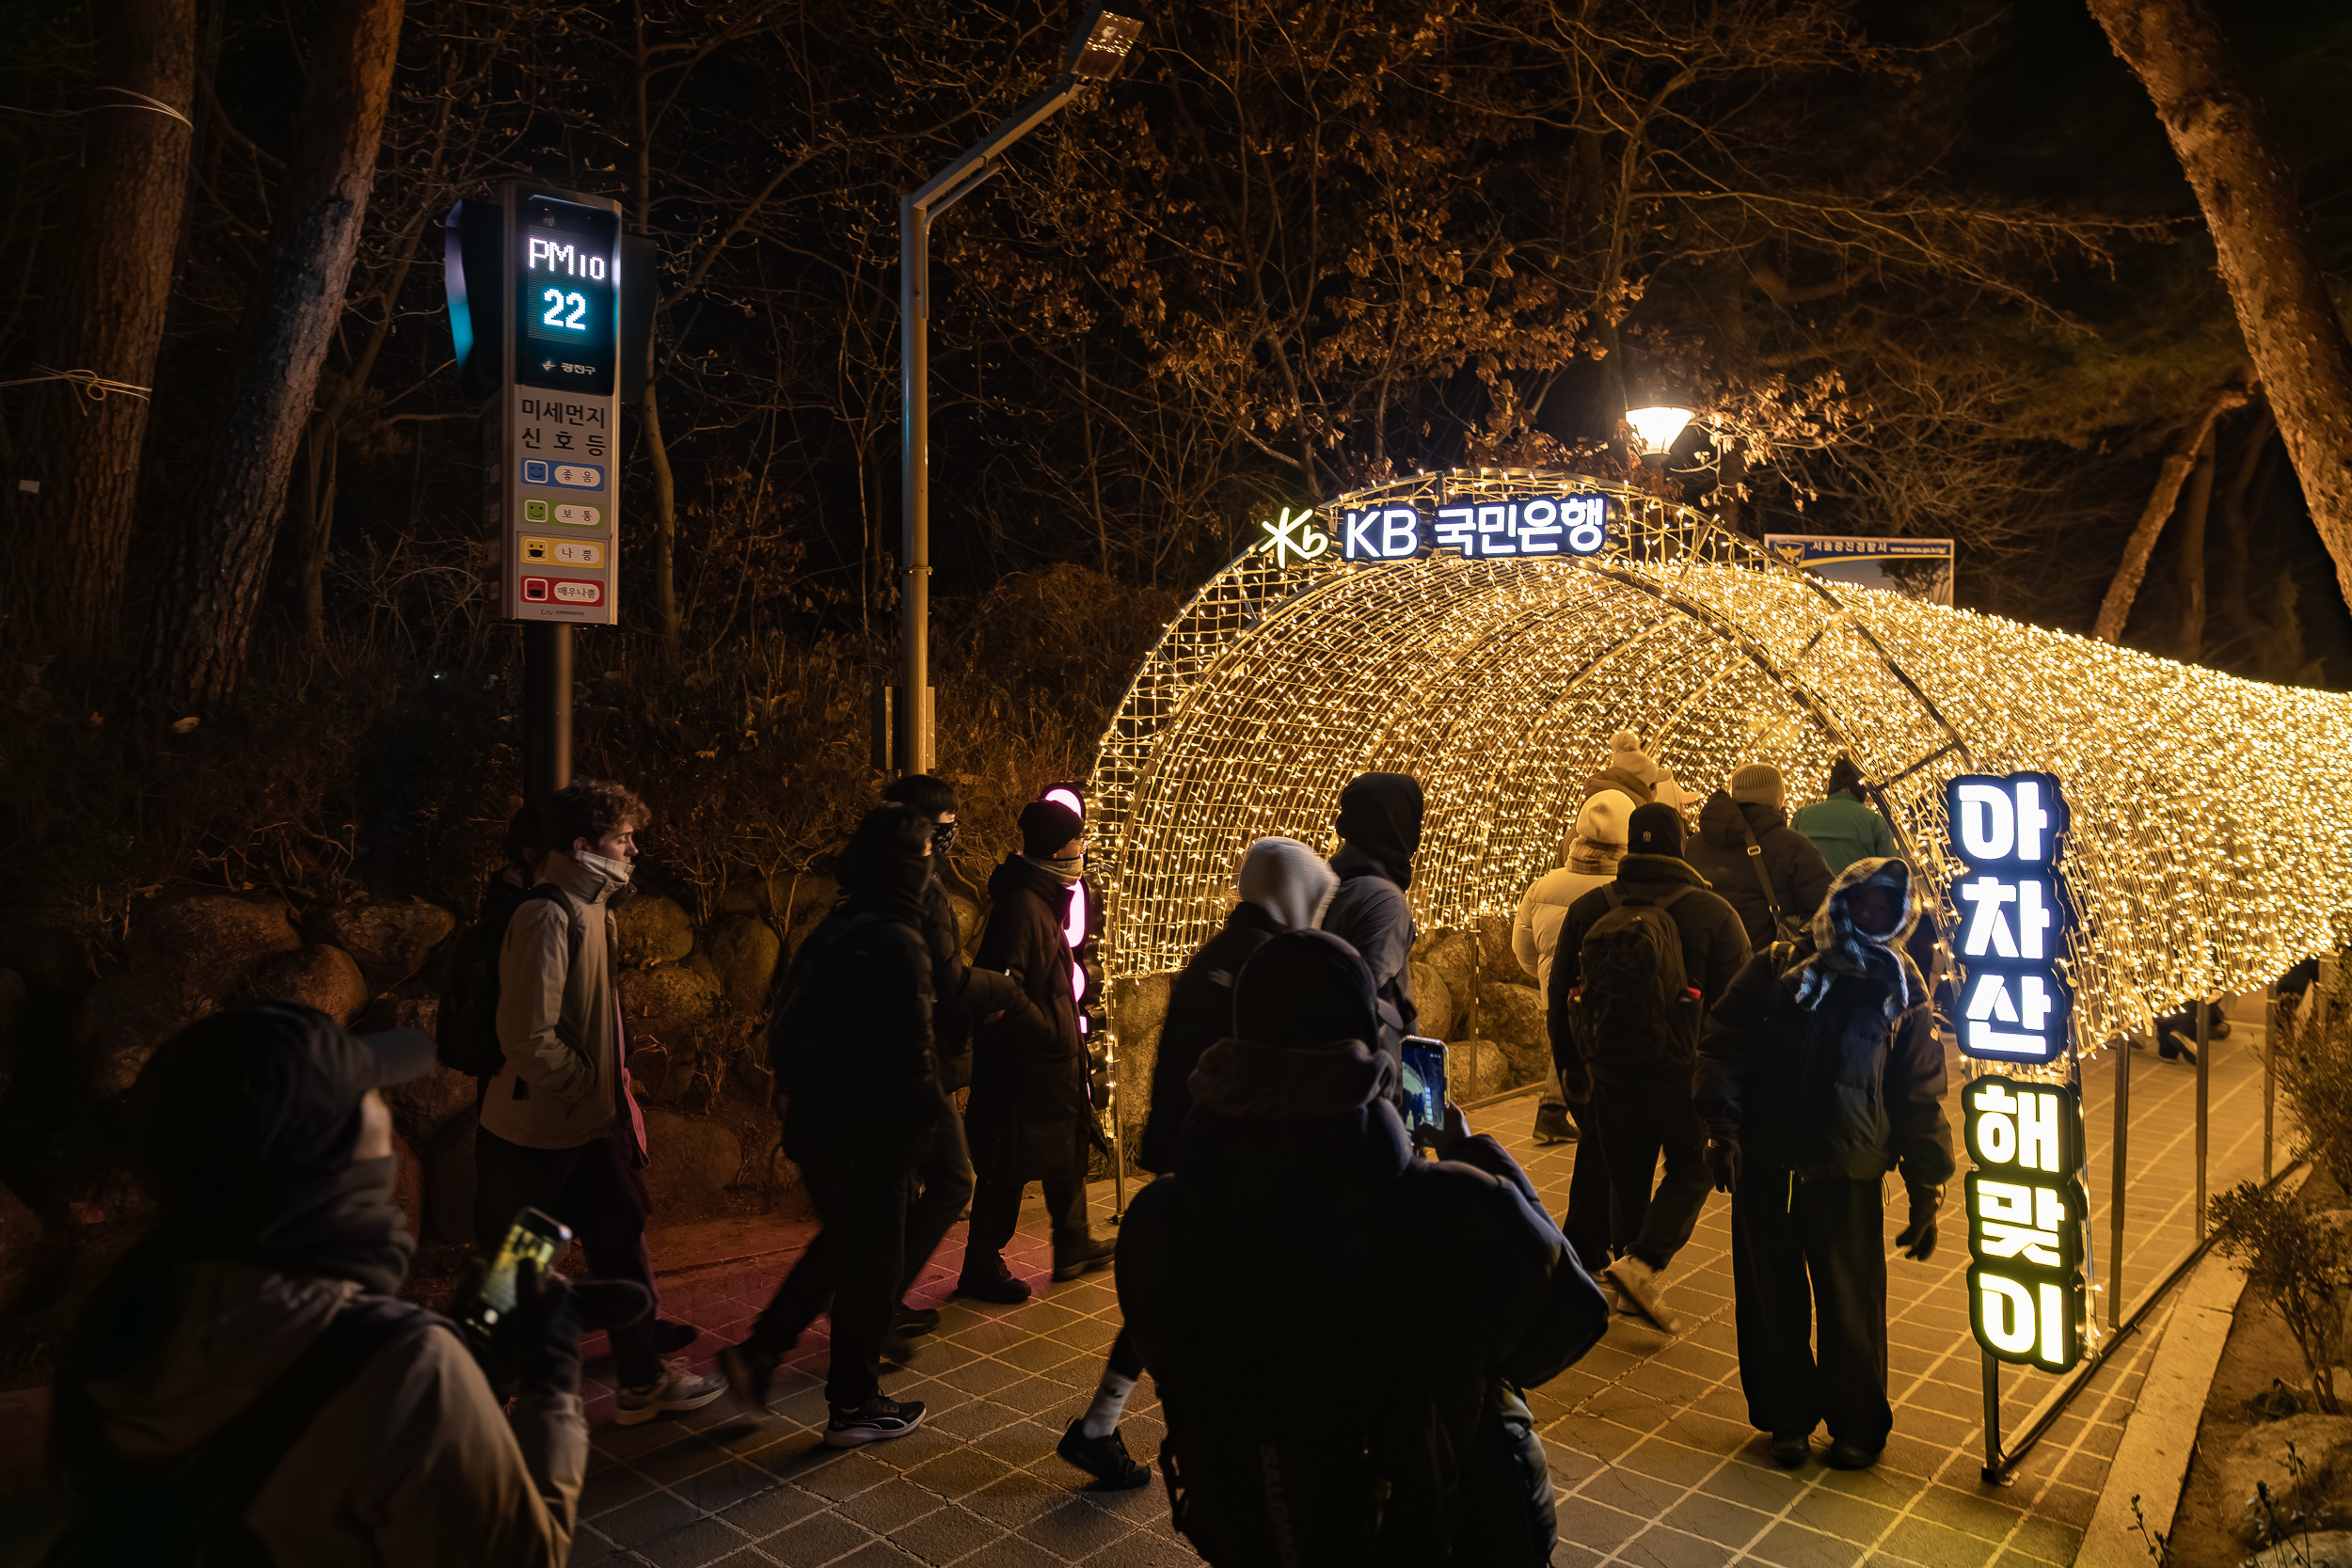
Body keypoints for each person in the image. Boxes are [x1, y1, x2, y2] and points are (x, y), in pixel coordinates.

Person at [1116, 930, 1612, 1566]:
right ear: (1367, 1043)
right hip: (1438, 1524)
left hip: (1257, 1525)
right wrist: (1479, 1157)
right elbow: (1569, 1321)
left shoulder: (1158, 1219)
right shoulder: (1455, 1206)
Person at [44, 1004, 592, 1565]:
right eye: (368, 1095)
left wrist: (469, 1368)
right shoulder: (405, 1367)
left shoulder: (116, 1325)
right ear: (336, 1145)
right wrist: (551, 1380)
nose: (386, 1113)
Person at [1057, 835, 1338, 1489]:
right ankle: (1194, 1435)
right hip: (1229, 1157)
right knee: (1205, 1291)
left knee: (1175, 1286)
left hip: (1191, 1147)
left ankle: (1102, 1424)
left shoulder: (1219, 952)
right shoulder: (1270, 964)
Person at [472, 778, 722, 1424]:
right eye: (623, 838)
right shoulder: (546, 914)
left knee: (621, 1241)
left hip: (587, 1125)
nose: (634, 849)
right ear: (583, 845)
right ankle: (472, 1378)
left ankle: (642, 1380)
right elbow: (526, 1034)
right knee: (521, 1261)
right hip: (540, 1129)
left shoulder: (594, 910)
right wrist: (588, 1086)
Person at [1694, 856, 1955, 1471]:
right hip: (1769, 1161)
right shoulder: (1779, 966)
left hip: (1849, 1173)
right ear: (1841, 899)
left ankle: (1857, 1425)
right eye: (1863, 901)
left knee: (1850, 1309)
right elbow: (1725, 1044)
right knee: (1770, 1300)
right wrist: (1720, 1128)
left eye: (1886, 907)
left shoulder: (1903, 987)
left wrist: (1928, 1186)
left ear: (1900, 916)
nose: (1871, 914)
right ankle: (1787, 1419)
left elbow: (1918, 1093)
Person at [722, 804, 946, 1446]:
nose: (935, 866)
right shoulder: (900, 941)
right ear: (906, 867)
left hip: (821, 1127)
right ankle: (853, 1405)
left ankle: (759, 1354)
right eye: (929, 854)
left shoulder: (840, 925)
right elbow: (914, 1053)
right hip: (872, 1137)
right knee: (873, 1269)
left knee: (845, 1247)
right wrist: (922, 1128)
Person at [1547, 803, 1750, 1330]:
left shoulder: (1592, 906)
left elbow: (1559, 996)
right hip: (1685, 1074)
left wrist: (1571, 1065)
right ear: (1680, 846)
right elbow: (1742, 1005)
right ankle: (1641, 1263)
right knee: (1694, 1164)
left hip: (1610, 1071)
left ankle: (1627, 1277)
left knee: (1626, 1176)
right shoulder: (1712, 913)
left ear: (1631, 846)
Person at [871, 774, 1025, 1326]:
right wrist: (1002, 988)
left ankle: (875, 1305)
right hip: (915, 1062)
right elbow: (945, 979)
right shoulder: (919, 887)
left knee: (913, 1190)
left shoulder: (878, 879)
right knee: (942, 1183)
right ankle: (869, 1313)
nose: (950, 837)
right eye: (943, 827)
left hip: (905, 1059)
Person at [959, 797, 1117, 1302]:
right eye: (1076, 840)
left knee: (1065, 1150)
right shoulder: (1022, 906)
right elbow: (1000, 989)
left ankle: (1073, 1245)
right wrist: (1049, 1029)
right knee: (1009, 1165)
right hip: (1025, 1068)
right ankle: (980, 1264)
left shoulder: (1042, 895)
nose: (1083, 849)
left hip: (1049, 1067)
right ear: (1055, 847)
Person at [1513, 790, 1637, 1147]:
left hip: (1558, 994)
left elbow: (1523, 949)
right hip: (1616, 1007)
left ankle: (1556, 1111)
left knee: (1567, 1046)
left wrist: (1548, 978)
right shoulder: (1625, 891)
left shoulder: (1543, 885)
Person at [1320, 772, 1424, 1069]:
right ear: (1397, 824)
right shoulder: (1385, 899)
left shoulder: (1326, 879)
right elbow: (1371, 1002)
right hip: (1369, 1071)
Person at [1686, 764, 1836, 951]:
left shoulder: (1692, 845)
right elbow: (1827, 909)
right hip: (1765, 964)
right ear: (1777, 797)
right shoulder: (1791, 845)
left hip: (1705, 962)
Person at [1789, 755, 1898, 876]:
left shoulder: (1802, 816)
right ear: (1863, 786)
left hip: (1811, 893)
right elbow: (1892, 871)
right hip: (1856, 893)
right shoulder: (1875, 822)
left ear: (1832, 782)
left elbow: (1788, 858)